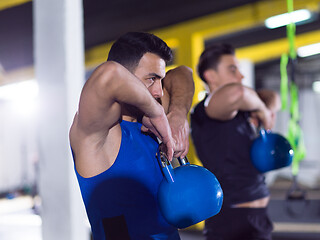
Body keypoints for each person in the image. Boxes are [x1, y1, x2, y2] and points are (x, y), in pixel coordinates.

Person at [69, 32, 194, 240]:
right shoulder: (100, 131)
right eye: (151, 79)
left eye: (160, 80)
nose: (159, 92)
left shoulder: (149, 119)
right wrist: (157, 113)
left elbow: (183, 73)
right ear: (126, 75)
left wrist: (178, 115)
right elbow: (109, 73)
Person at [190, 43, 280, 240]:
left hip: (257, 217)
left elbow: (272, 96)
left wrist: (267, 108)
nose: (241, 76)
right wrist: (263, 111)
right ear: (210, 76)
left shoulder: (241, 109)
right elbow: (238, 93)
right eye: (233, 69)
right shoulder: (207, 109)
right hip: (232, 220)